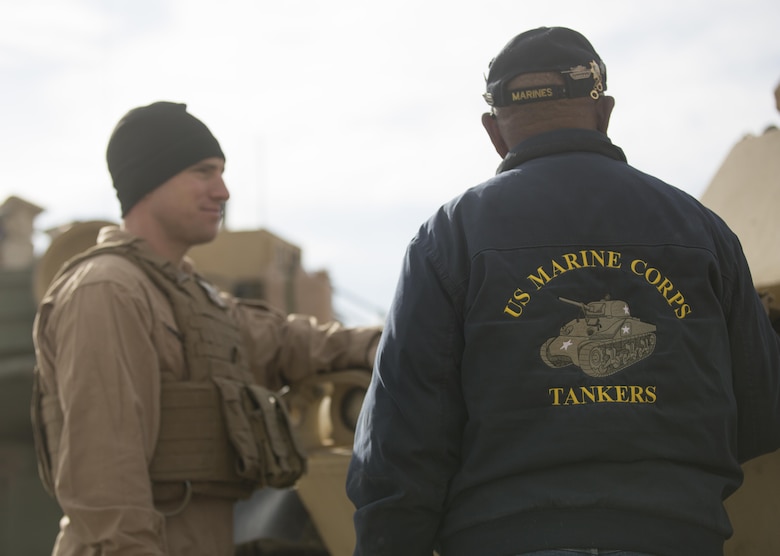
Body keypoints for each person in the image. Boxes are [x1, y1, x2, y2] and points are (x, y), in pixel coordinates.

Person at [346, 26, 780, 556]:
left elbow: (400, 439)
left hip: (503, 537)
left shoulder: (451, 235)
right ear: (605, 111)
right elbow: (760, 412)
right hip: (675, 534)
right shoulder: (704, 230)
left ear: (494, 130)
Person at [31, 101, 381, 556]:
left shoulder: (192, 298)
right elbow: (106, 483)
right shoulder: (108, 291)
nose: (223, 191)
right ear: (150, 181)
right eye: (203, 172)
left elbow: (287, 341)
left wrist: (389, 343)